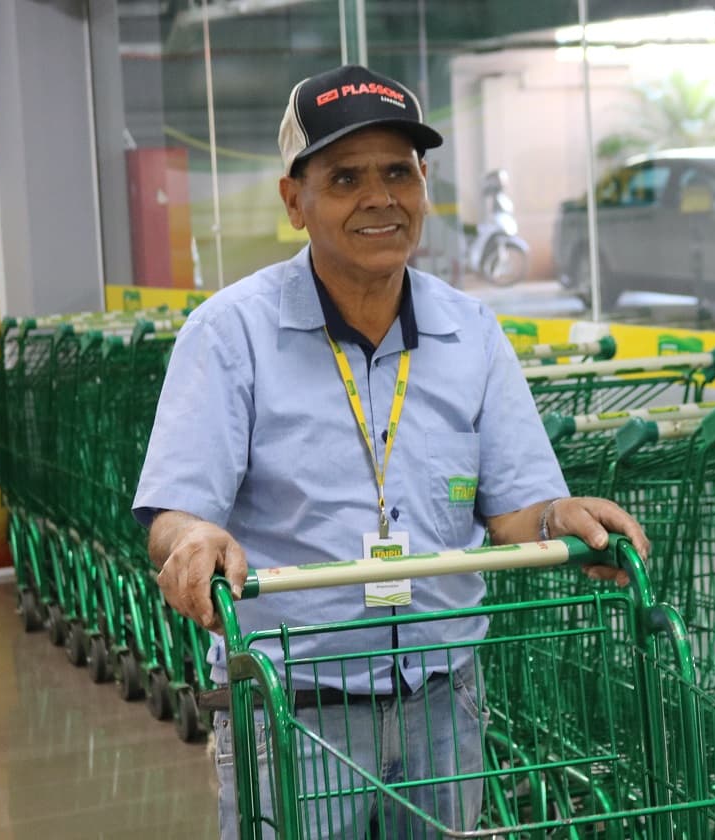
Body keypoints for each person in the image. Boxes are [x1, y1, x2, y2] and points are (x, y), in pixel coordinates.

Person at [133, 63, 649, 839]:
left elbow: (518, 511)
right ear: (294, 200)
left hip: (447, 704)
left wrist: (560, 516)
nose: (380, 198)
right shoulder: (230, 335)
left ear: (424, 184)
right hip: (297, 709)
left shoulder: (470, 332)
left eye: (398, 173)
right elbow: (176, 517)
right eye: (345, 177)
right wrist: (192, 537)